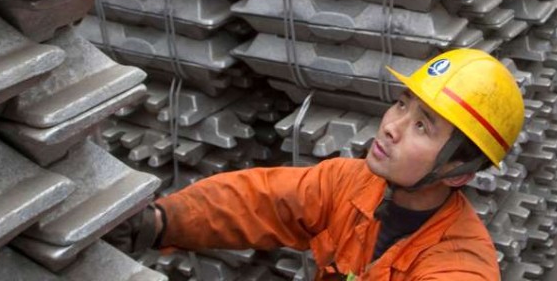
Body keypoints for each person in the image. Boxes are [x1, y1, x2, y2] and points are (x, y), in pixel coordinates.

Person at [109, 48, 525, 280]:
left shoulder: (459, 266)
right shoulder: (351, 185)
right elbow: (261, 201)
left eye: (422, 126)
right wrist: (161, 221)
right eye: (401, 104)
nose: (391, 127)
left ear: (460, 173)